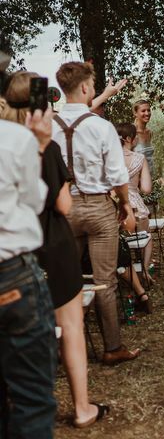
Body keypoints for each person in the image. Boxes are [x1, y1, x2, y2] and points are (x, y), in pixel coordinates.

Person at [1, 71, 109, 428]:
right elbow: (62, 204)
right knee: (71, 327)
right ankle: (81, 407)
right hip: (50, 244)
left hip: (14, 256)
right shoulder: (40, 147)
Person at [52, 61, 140, 366]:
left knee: (64, 280)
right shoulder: (101, 127)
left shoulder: (48, 125)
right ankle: (112, 347)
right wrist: (126, 205)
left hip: (62, 210)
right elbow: (118, 176)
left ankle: (64, 348)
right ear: (86, 88)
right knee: (105, 281)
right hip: (98, 207)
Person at [0, 81, 57, 437]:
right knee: (32, 399)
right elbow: (36, 203)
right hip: (10, 276)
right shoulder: (14, 139)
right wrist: (38, 144)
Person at [116, 123, 153, 313]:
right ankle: (144, 270)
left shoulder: (110, 158)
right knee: (145, 238)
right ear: (130, 139)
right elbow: (146, 189)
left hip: (116, 206)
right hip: (136, 207)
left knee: (120, 246)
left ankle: (128, 277)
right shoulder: (140, 158)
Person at [133, 99, 155, 177]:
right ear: (135, 113)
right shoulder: (131, 133)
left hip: (149, 178)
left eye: (148, 110)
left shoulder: (150, 132)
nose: (147, 113)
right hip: (136, 178)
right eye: (143, 111)